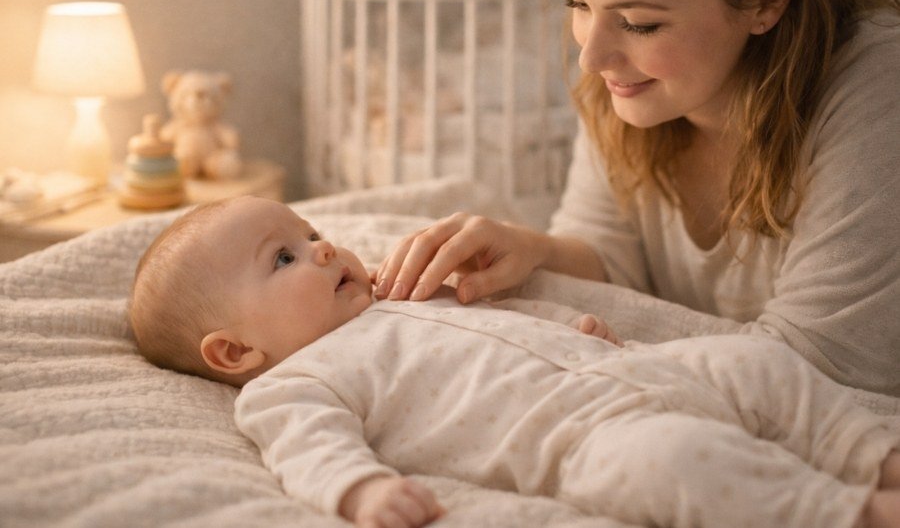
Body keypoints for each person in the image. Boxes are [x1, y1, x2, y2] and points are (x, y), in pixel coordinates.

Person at [372, 0, 900, 397]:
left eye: (639, 23)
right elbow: (613, 261)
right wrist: (533, 250)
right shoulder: (631, 84)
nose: (591, 57)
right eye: (577, 4)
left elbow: (820, 369)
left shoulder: (878, 87)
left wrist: (610, 351)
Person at [128, 196, 900, 528]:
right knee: (685, 462)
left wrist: (575, 325)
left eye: (313, 230)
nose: (325, 247)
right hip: (582, 445)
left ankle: (868, 451)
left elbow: (505, 320)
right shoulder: (295, 383)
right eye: (286, 256)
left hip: (634, 374)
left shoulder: (401, 299)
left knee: (754, 362)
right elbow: (308, 448)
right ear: (236, 351)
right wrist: (360, 490)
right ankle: (844, 514)